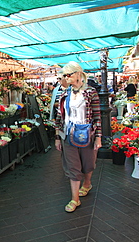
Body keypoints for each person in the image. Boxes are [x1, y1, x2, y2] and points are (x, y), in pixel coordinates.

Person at [54, 61, 102, 213]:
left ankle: (87, 184)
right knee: (72, 166)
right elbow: (59, 116)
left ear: (79, 74)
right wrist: (57, 136)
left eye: (69, 74)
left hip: (87, 133)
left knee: (88, 163)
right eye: (65, 75)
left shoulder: (90, 92)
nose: (66, 78)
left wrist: (99, 137)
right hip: (68, 134)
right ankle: (75, 199)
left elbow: (97, 116)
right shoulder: (64, 93)